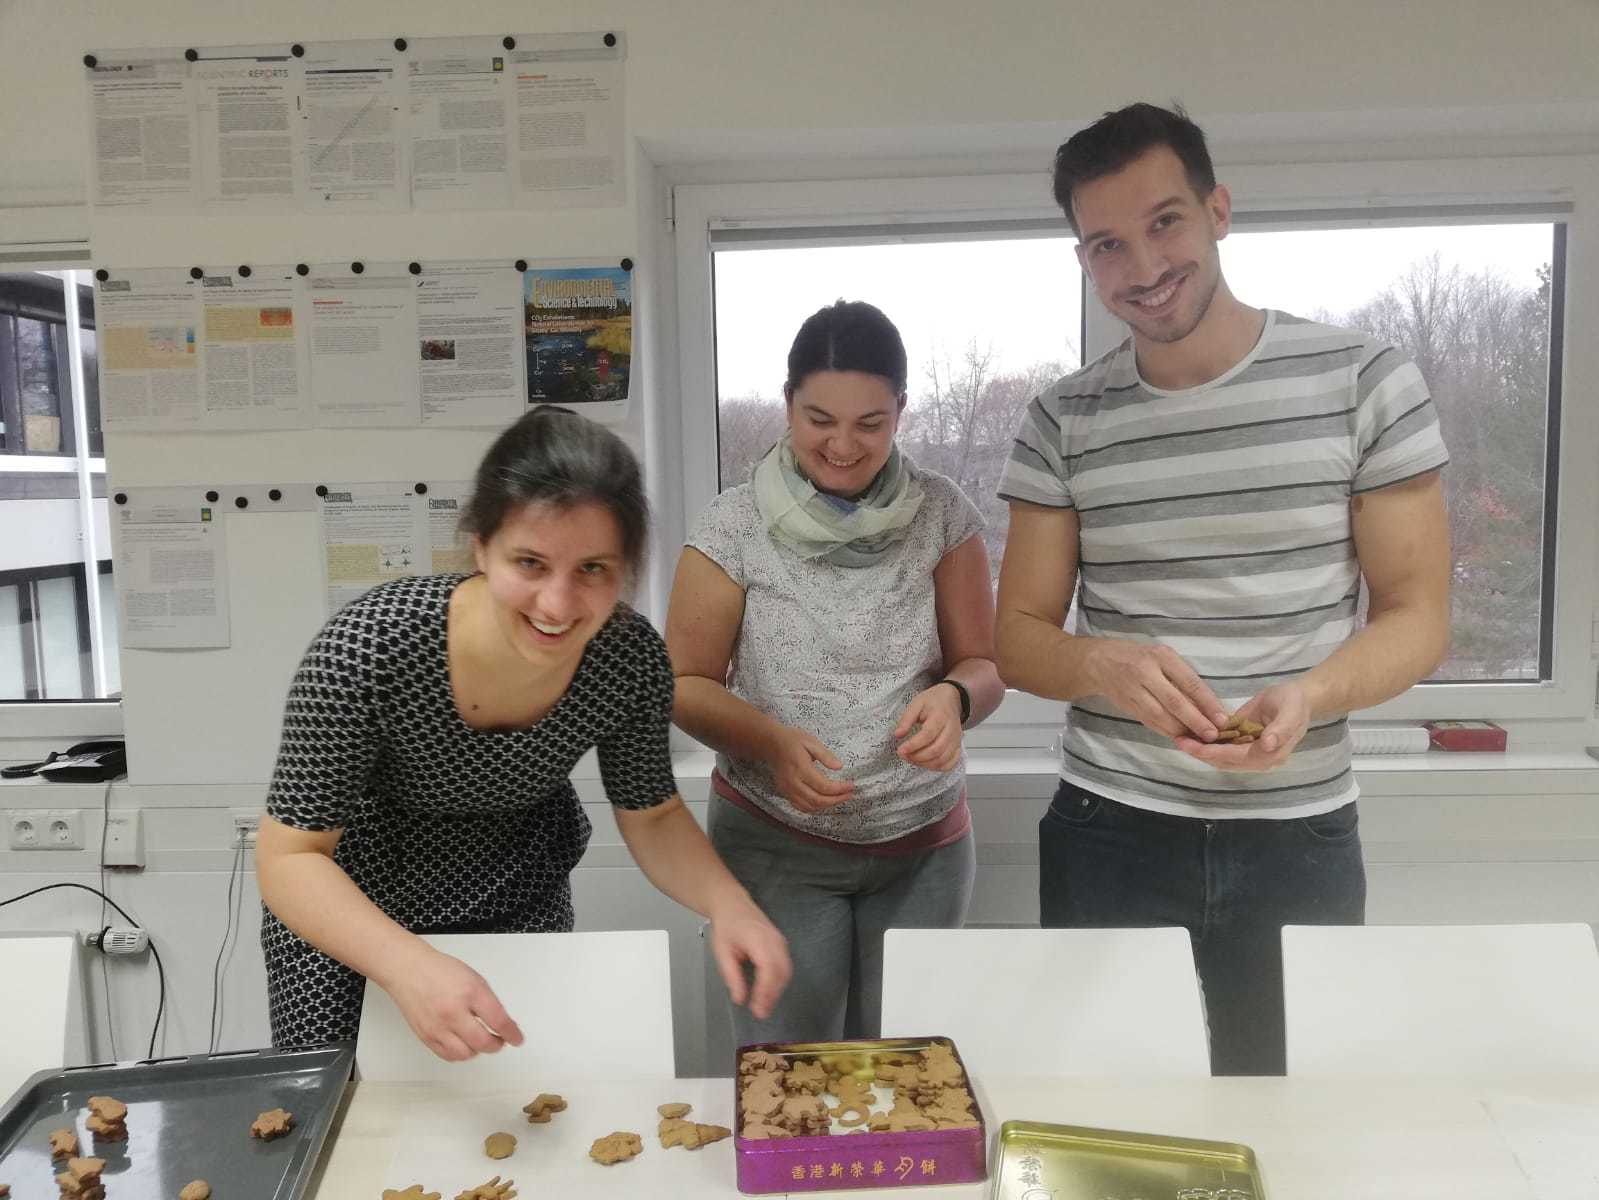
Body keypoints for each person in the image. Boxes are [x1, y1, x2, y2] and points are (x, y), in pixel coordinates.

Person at [995, 103, 1451, 1075]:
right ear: (1084, 259)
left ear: (1219, 210)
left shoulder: (1363, 381)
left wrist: (1314, 693)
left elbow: (1418, 620)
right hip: (1108, 830)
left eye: (1165, 223)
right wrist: (1103, 663)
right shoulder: (1062, 420)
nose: (1143, 268)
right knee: (1107, 1109)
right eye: (1107, 244)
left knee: (1285, 1118)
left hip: (1299, 835)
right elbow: (1021, 637)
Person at [256, 407, 791, 1058]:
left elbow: (651, 816)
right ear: (480, 544)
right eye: (530, 563)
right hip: (353, 920)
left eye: (592, 569)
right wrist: (404, 964)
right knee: (352, 1126)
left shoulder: (626, 659)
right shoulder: (369, 650)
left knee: (524, 1110)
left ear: (625, 568)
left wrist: (726, 901)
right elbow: (290, 859)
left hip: (515, 901)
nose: (558, 605)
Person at [666, 299, 1005, 1046]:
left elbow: (983, 665)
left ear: (900, 413)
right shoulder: (731, 526)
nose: (843, 446)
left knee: (913, 1068)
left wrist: (954, 699)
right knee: (789, 1067)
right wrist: (770, 742)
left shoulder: (943, 515)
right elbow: (685, 685)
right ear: (788, 405)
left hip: (923, 847)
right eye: (819, 419)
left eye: (870, 423)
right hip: (774, 843)